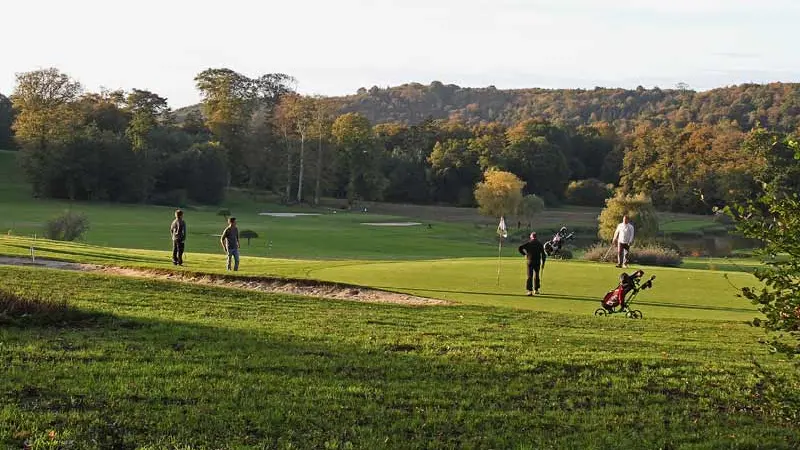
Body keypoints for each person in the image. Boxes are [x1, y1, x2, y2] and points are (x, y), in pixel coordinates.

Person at [518, 231, 547, 296]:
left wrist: (524, 254)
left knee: (529, 276)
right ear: (536, 237)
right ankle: (536, 290)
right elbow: (543, 254)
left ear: (531, 237)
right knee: (536, 275)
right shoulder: (540, 244)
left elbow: (520, 248)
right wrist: (543, 263)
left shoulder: (529, 243)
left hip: (530, 261)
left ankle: (529, 291)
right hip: (537, 262)